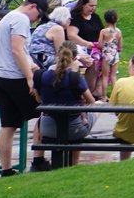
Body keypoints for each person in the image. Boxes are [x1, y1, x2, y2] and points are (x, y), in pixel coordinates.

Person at [0, 0, 47, 176]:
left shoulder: (7, 18)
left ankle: (6, 169)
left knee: (8, 125)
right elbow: (17, 49)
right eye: (39, 15)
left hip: (1, 76)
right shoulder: (21, 19)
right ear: (32, 6)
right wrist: (29, 77)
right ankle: (38, 159)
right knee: (46, 112)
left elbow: (17, 51)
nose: (37, 20)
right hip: (15, 77)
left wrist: (31, 63)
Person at [34, 41, 95, 170]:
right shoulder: (76, 78)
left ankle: (38, 160)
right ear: (74, 58)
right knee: (95, 109)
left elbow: (39, 99)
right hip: (74, 129)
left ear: (57, 54)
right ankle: (74, 166)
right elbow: (91, 101)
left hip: (48, 128)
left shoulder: (42, 76)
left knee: (44, 115)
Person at [97, 8, 122, 100]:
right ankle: (115, 97)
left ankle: (104, 97)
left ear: (105, 20)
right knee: (113, 76)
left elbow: (99, 45)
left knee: (105, 76)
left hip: (106, 55)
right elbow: (120, 46)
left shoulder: (103, 31)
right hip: (115, 55)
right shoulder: (119, 32)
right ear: (116, 19)